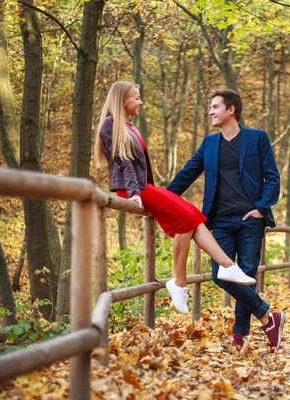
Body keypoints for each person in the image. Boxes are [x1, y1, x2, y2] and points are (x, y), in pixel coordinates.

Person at [94, 81, 258, 315]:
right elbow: (124, 161)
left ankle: (226, 266)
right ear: (123, 101)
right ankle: (184, 280)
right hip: (134, 188)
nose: (140, 102)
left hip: (144, 186)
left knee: (193, 215)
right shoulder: (109, 127)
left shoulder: (129, 126)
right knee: (185, 218)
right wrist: (133, 193)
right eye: (137, 98)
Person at [167, 89, 284, 350]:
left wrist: (262, 209)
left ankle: (239, 335)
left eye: (215, 106)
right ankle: (268, 318)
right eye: (211, 107)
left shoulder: (257, 138)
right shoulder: (209, 144)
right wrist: (162, 198)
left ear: (231, 110)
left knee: (247, 275)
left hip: (250, 219)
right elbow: (188, 173)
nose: (210, 111)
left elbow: (272, 177)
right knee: (221, 275)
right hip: (218, 221)